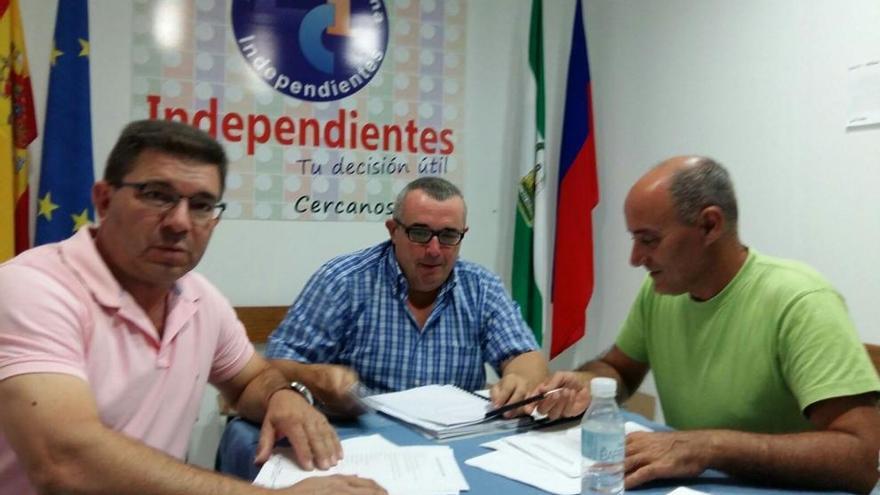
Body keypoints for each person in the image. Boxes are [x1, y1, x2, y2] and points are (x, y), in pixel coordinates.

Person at [0, 120, 385, 495]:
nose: (180, 222)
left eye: (201, 205)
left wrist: (281, 396)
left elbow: (251, 379)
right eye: (156, 195)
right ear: (103, 200)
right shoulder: (33, 288)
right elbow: (63, 461)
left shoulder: (199, 298)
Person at [532, 156, 880, 493]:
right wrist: (588, 384)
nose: (635, 258)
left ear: (710, 225)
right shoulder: (661, 293)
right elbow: (618, 369)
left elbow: (859, 459)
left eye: (649, 240)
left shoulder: (801, 301)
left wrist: (710, 445)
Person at [266, 177, 549, 415]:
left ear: (463, 234)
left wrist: (519, 380)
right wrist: (315, 377)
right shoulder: (342, 281)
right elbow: (276, 364)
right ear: (393, 230)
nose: (435, 250)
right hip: (360, 442)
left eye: (449, 235)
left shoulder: (481, 287)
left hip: (455, 444)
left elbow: (525, 356)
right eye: (420, 233)